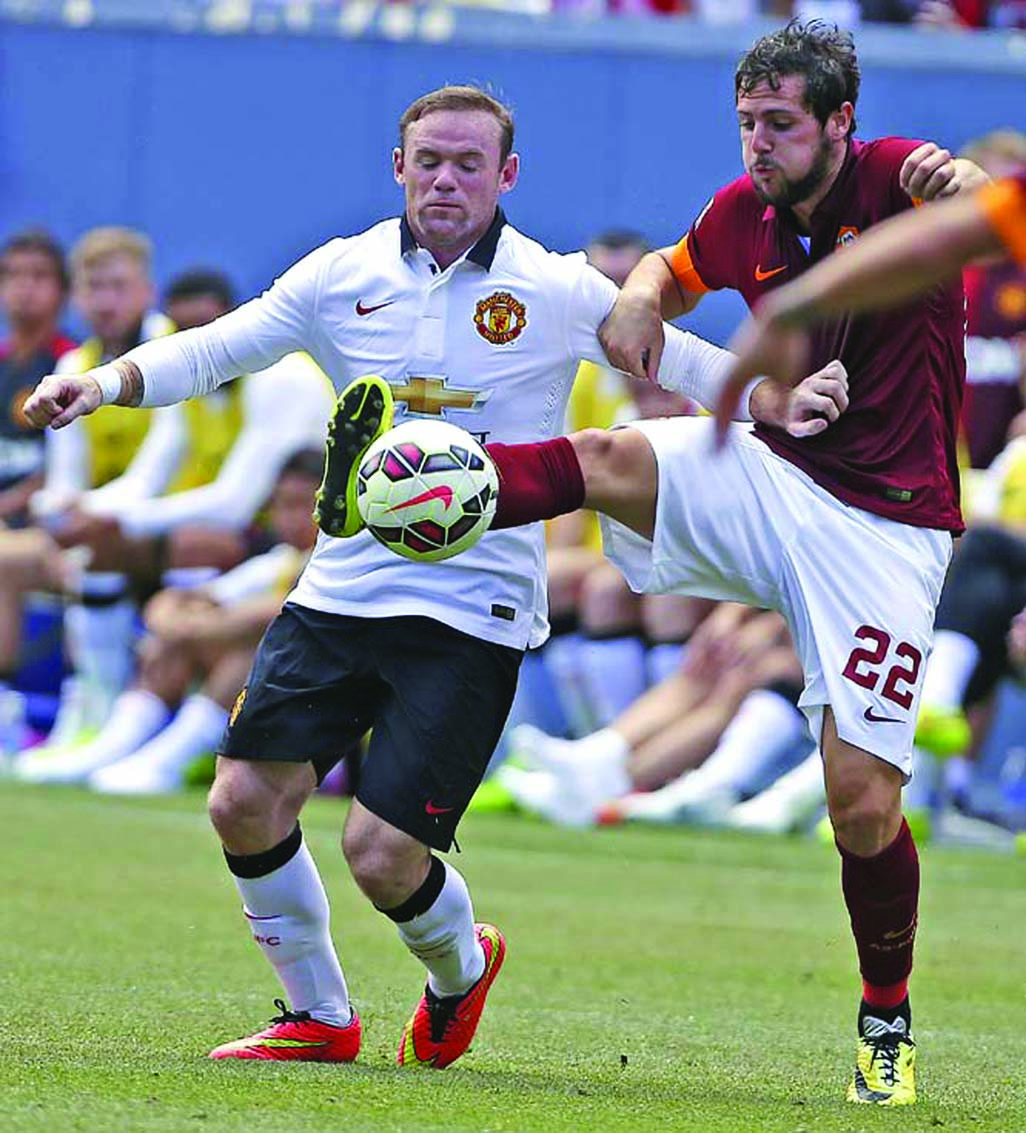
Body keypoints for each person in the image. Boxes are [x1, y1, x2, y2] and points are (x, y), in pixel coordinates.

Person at [23, 85, 845, 1070]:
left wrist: (777, 400)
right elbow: (219, 348)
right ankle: (318, 1014)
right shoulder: (342, 273)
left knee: (381, 853)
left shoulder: (555, 284)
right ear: (398, 166)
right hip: (340, 591)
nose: (445, 179)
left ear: (507, 175)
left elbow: (675, 357)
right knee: (243, 798)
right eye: (429, 160)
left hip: (474, 608)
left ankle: (461, 965)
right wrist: (103, 382)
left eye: (469, 163)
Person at [348, 29, 984, 1104]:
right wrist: (641, 291)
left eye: (780, 123)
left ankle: (886, 1018)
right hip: (774, 471)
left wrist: (964, 180)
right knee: (604, 459)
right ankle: (433, 490)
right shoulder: (747, 211)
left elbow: (980, 205)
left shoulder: (895, 178)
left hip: (887, 523)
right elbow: (673, 270)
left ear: (839, 121)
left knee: (861, 804)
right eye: (746, 121)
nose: (759, 143)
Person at [0, 230, 76, 526]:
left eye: (39, 275)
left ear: (64, 292)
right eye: (12, 275)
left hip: (44, 520)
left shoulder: (76, 365)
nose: (24, 287)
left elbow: (68, 468)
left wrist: (7, 505)